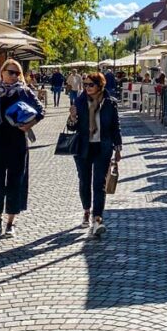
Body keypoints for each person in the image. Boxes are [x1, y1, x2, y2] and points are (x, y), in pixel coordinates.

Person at [0, 60, 44, 237]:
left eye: (17, 73)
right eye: (11, 72)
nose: (15, 76)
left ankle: (11, 221)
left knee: (16, 182)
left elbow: (41, 110)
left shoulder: (24, 91)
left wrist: (30, 123)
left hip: (17, 142)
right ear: (2, 73)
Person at [68, 71, 122, 236]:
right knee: (84, 181)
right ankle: (86, 209)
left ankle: (97, 219)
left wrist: (118, 147)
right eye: (85, 85)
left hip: (102, 147)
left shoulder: (110, 103)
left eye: (91, 85)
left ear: (100, 86)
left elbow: (115, 126)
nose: (87, 88)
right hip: (83, 147)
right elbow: (71, 127)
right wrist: (72, 117)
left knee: (99, 184)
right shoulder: (79, 101)